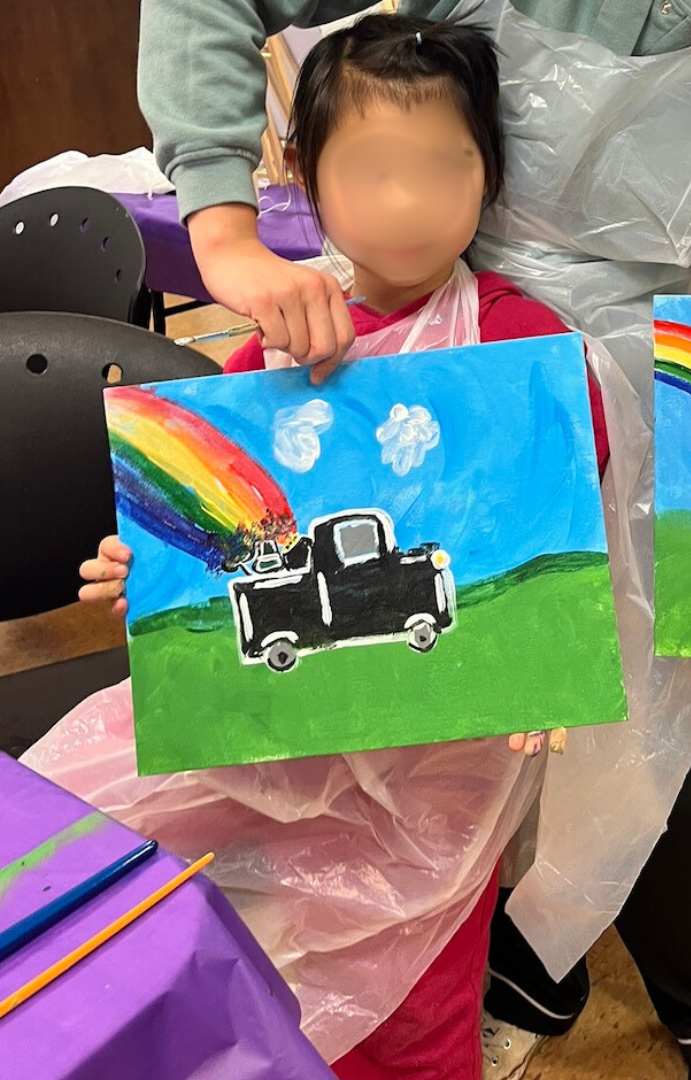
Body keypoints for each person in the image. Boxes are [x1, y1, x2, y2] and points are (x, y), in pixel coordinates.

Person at [128, 4, 691, 1080]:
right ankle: (508, 970)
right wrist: (222, 230)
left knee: (633, 727)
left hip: (642, 384)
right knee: (434, 737)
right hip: (437, 355)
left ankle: (685, 997)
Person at [26, 16, 608, 1079]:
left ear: (490, 175)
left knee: (418, 1003)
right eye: (372, 170)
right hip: (280, 744)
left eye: (444, 168)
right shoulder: (269, 349)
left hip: (443, 758)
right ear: (303, 175)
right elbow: (213, 526)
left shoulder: (522, 344)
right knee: (236, 953)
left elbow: (560, 513)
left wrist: (543, 656)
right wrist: (146, 578)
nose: (407, 202)